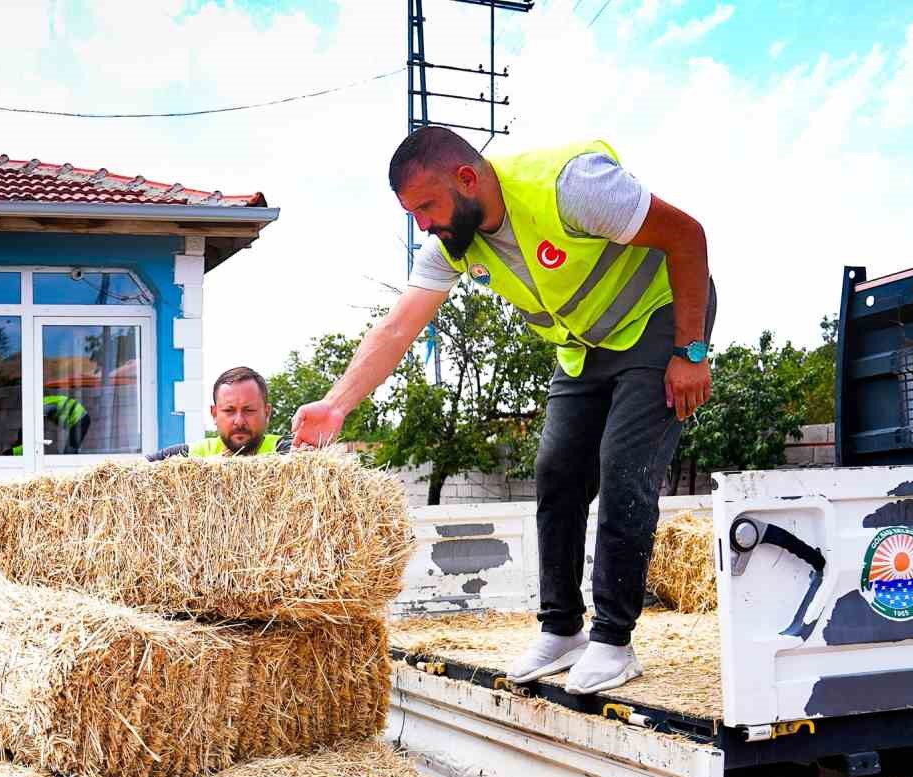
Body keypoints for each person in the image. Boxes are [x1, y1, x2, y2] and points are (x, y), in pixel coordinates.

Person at [292, 127, 717, 695]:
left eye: (427, 206)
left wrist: (690, 352)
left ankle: (614, 640)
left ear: (467, 179)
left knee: (623, 470)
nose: (423, 223)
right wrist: (336, 404)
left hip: (660, 319)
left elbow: (688, 237)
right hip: (586, 346)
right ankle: (562, 629)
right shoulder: (452, 243)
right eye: (412, 212)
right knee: (558, 472)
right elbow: (398, 325)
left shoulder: (574, 187)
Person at [148, 366, 291, 461]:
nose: (239, 421)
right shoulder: (191, 455)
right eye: (229, 411)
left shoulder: (285, 450)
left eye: (249, 410)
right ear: (214, 414)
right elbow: (133, 471)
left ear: (267, 413)